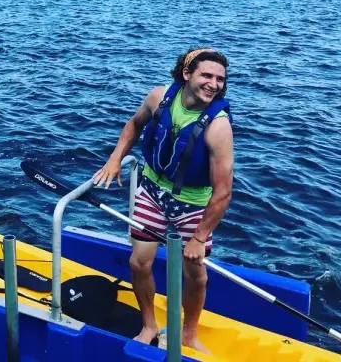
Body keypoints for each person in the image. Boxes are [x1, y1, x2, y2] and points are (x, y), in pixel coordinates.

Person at [92, 48, 234, 353]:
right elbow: (134, 124)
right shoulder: (159, 97)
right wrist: (115, 159)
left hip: (193, 206)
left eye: (220, 79)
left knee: (194, 274)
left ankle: (188, 333)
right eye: (206, 75)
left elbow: (223, 192)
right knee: (138, 262)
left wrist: (199, 237)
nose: (214, 84)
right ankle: (149, 325)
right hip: (153, 192)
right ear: (187, 75)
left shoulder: (219, 127)